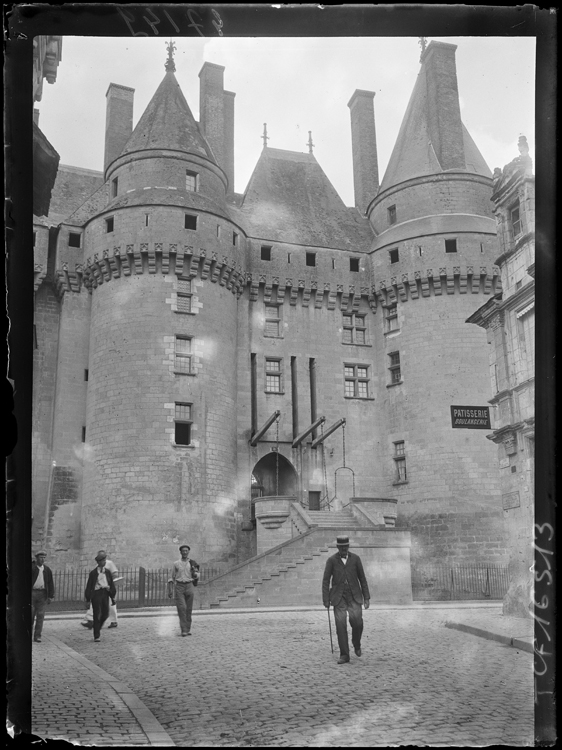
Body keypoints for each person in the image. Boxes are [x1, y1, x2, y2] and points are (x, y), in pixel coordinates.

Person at [322, 535, 370, 664]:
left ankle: (356, 643)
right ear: (337, 547)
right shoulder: (331, 561)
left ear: (348, 547)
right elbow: (325, 581)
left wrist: (366, 598)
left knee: (358, 623)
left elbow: (362, 579)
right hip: (339, 597)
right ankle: (344, 655)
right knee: (340, 625)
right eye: (341, 547)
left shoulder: (356, 559)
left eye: (346, 547)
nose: (344, 549)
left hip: (354, 596)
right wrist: (326, 599)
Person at [81, 550, 119, 630]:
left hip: (107, 588)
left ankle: (114, 621)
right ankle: (90, 620)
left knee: (111, 605)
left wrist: (110, 583)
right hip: (99, 589)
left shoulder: (109, 563)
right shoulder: (97, 565)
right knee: (94, 605)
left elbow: (115, 574)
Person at [168, 544, 200, 636]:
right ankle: (183, 630)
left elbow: (198, 575)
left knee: (188, 609)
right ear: (180, 552)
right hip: (179, 587)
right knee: (182, 608)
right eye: (183, 551)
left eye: (186, 550)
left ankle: (187, 629)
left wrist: (195, 573)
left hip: (189, 585)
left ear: (188, 552)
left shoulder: (193, 563)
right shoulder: (176, 564)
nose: (185, 552)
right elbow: (171, 577)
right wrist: (169, 590)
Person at [32, 550, 55, 643]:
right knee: (30, 615)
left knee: (40, 615)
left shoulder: (47, 570)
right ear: (36, 558)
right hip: (32, 593)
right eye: (41, 557)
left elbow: (50, 583)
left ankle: (37, 636)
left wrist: (50, 596)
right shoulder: (32, 568)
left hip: (42, 594)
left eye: (44, 558)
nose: (42, 559)